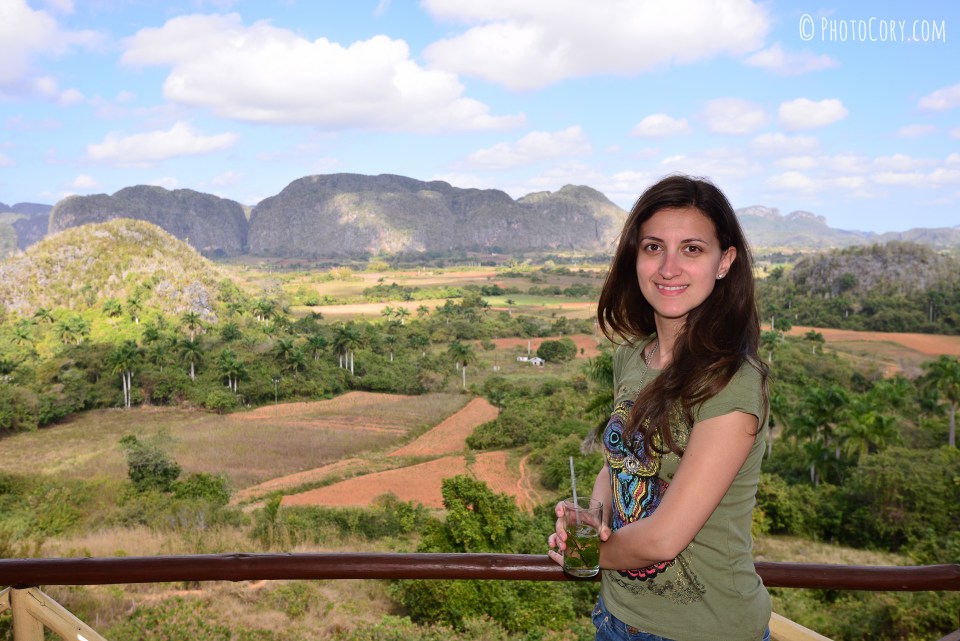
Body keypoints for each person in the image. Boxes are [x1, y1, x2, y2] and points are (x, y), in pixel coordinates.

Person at [547, 174, 772, 641]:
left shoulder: (731, 382)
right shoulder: (631, 357)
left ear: (724, 262)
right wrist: (594, 519)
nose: (669, 268)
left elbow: (664, 538)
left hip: (703, 631)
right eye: (654, 247)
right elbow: (618, 463)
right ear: (635, 256)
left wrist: (585, 553)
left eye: (692, 249)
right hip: (616, 617)